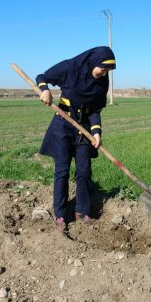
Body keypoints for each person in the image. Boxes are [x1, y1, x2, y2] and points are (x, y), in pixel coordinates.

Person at [36, 46, 116, 231]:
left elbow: (95, 110)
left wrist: (96, 132)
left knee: (84, 171)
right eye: (102, 68)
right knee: (62, 171)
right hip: (63, 126)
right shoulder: (70, 68)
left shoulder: (102, 82)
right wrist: (45, 90)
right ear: (92, 62)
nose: (104, 73)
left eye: (108, 70)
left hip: (84, 129)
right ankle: (61, 215)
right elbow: (42, 77)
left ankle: (83, 210)